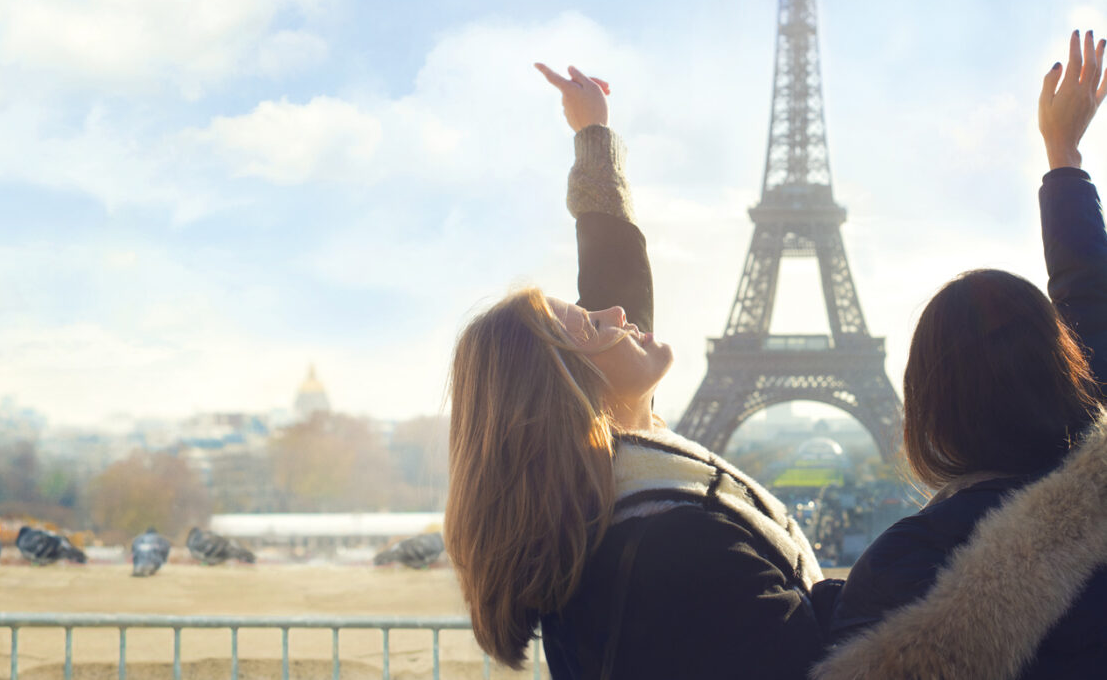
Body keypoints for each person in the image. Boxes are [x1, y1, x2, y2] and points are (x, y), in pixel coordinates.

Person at [445, 44, 1107, 680]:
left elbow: (613, 293)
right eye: (592, 324)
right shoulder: (675, 549)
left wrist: (594, 139)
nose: (619, 316)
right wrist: (1065, 159)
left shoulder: (606, 511)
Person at [818, 29, 1107, 678]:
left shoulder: (904, 568)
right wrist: (1065, 155)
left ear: (926, 405)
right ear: (1063, 371)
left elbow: (1092, 306)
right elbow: (1091, 304)